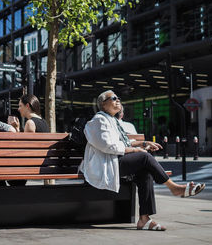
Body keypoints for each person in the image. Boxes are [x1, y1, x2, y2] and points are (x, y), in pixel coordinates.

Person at [79, 90, 205, 231]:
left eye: (118, 97)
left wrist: (143, 143)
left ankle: (144, 218)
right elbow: (108, 145)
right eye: (114, 98)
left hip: (116, 162)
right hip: (104, 166)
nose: (118, 100)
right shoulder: (98, 120)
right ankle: (174, 188)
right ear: (103, 104)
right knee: (144, 157)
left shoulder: (112, 121)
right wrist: (136, 150)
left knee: (145, 172)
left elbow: (123, 142)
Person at [8, 94, 49, 186]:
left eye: (20, 106)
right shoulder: (44, 122)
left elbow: (23, 149)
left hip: (32, 164)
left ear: (27, 106)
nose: (18, 109)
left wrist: (14, 131)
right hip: (42, 162)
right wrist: (18, 129)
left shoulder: (30, 123)